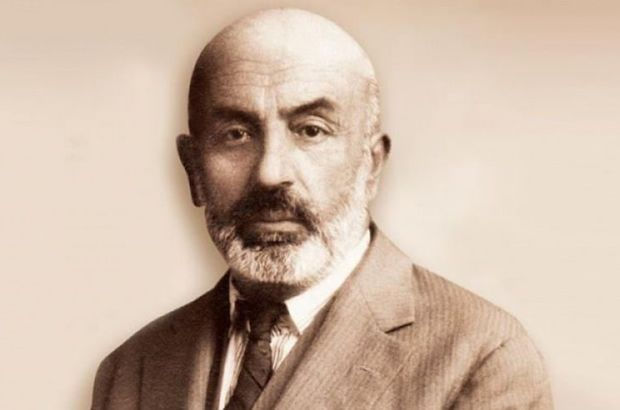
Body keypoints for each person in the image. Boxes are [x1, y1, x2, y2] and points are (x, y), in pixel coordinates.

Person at [91, 8, 553, 410]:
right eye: (236, 134)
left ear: (371, 165)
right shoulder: (132, 369)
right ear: (193, 170)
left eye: (311, 130)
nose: (270, 173)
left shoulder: (483, 356)